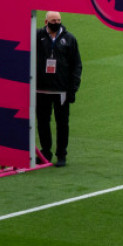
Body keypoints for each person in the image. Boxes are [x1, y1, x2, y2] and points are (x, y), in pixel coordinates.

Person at [35, 11, 82, 167]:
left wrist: (72, 89)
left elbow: (76, 65)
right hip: (40, 89)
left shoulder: (69, 39)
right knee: (43, 122)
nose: (56, 22)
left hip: (61, 90)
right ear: (46, 21)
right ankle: (45, 153)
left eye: (58, 20)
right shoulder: (37, 36)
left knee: (62, 123)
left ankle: (61, 154)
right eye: (53, 20)